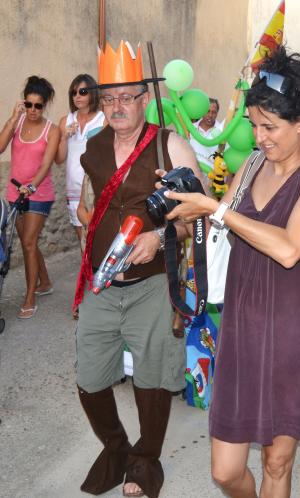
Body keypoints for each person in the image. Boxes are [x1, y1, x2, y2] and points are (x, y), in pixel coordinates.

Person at [159, 47, 300, 498]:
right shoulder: (253, 164)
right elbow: (216, 226)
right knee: (226, 471)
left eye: (270, 127)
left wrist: (216, 209)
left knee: (276, 464)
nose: (259, 137)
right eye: (254, 125)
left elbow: (289, 248)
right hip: (242, 327)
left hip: (295, 333)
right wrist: (184, 200)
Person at [72, 40, 202, 498]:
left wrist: (160, 236)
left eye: (126, 96)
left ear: (145, 99)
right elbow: (88, 205)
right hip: (103, 282)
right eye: (108, 98)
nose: (117, 106)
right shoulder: (92, 147)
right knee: (89, 377)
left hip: (153, 284)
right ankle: (117, 449)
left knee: (153, 377)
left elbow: (199, 217)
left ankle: (146, 461)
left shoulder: (170, 146)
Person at [0, 76, 59, 319]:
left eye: (38, 106)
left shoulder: (52, 130)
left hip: (39, 193)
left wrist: (32, 186)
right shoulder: (18, 122)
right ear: (23, 102)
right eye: (28, 104)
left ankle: (29, 298)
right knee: (29, 242)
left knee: (27, 243)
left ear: (44, 105)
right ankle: (44, 281)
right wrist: (13, 118)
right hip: (15, 192)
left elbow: (46, 164)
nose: (33, 110)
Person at [55, 74, 105, 249]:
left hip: (96, 187)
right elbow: (59, 159)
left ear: (92, 93)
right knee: (83, 242)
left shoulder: (103, 119)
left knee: (100, 239)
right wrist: (64, 137)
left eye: (82, 92)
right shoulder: (65, 121)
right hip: (74, 189)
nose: (77, 96)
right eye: (74, 92)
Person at [189, 97, 222, 168]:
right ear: (202, 111)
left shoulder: (222, 132)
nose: (210, 115)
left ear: (217, 113)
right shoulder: (190, 129)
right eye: (207, 111)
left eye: (213, 112)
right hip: (191, 172)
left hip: (212, 173)